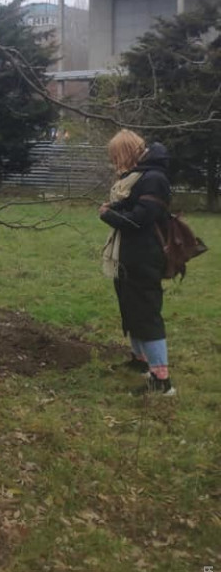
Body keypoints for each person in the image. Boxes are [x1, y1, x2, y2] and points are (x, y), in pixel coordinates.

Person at [99, 129, 175, 396]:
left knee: (146, 314)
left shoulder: (153, 178)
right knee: (131, 309)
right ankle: (140, 360)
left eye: (116, 156)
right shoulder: (137, 177)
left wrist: (107, 215)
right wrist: (113, 208)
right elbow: (131, 206)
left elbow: (140, 219)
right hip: (128, 256)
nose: (114, 162)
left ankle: (161, 381)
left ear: (126, 153)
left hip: (144, 257)